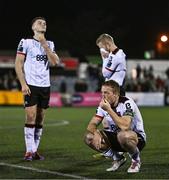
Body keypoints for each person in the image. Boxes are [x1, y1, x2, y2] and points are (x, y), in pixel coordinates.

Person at [15, 16, 60, 161]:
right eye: (40, 22)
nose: (43, 24)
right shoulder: (25, 42)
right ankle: (29, 151)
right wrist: (23, 83)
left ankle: (35, 151)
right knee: (30, 116)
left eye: (45, 23)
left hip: (45, 86)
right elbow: (18, 63)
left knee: (40, 119)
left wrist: (44, 44)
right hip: (31, 85)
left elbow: (55, 62)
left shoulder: (50, 44)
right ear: (33, 27)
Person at [84, 80, 146, 173]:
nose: (103, 95)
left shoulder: (126, 102)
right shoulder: (103, 106)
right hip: (117, 138)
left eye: (106, 93)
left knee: (123, 135)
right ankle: (117, 158)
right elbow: (91, 125)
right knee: (88, 137)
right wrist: (96, 132)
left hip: (135, 139)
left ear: (116, 94)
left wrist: (108, 109)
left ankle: (136, 160)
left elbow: (125, 126)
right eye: (102, 92)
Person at [95, 33, 127, 160]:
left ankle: (120, 149)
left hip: (115, 91)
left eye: (102, 47)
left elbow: (105, 72)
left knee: (114, 121)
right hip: (112, 90)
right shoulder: (117, 54)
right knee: (105, 120)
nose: (102, 49)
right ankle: (113, 148)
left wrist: (104, 58)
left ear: (107, 44)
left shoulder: (116, 56)